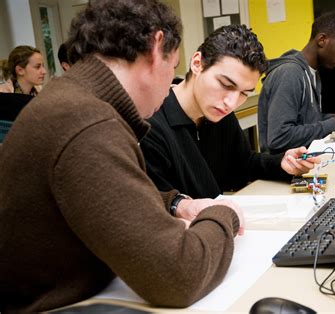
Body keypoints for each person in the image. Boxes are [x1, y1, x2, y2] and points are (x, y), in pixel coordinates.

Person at [0, 1, 245, 313]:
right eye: (174, 66)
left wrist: (175, 203)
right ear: (157, 47)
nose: (171, 79)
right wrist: (224, 213)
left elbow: (102, 194)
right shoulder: (87, 121)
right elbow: (178, 277)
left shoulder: (70, 101)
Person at [140, 24, 319, 199]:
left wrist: (281, 163)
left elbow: (244, 164)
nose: (231, 103)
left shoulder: (219, 113)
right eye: (225, 85)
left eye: (243, 93)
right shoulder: (151, 125)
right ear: (197, 64)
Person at [258, 13, 335, 154]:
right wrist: (334, 123)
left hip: (304, 161)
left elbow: (307, 120)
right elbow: (279, 138)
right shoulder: (290, 73)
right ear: (322, 40)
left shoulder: (313, 72)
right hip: (283, 169)